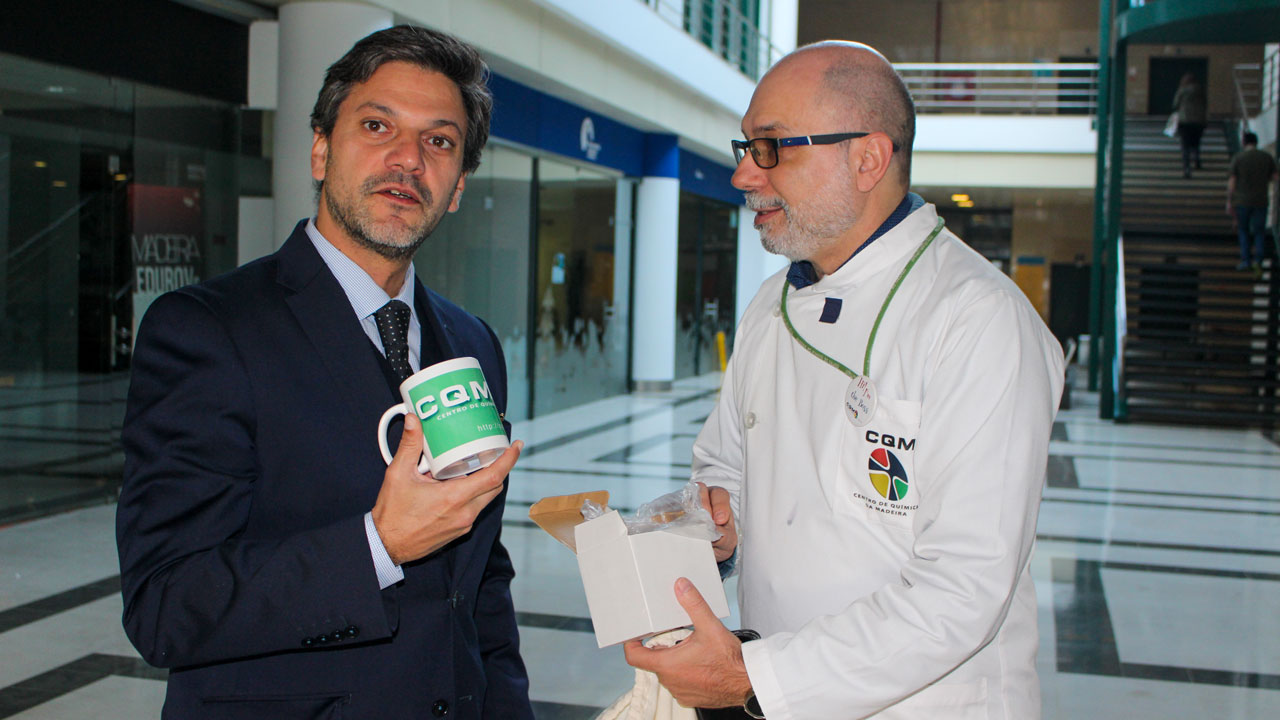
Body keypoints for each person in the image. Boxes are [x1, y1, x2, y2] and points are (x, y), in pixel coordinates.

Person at [625, 41, 1064, 720]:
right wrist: (712, 524)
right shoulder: (771, 306)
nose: (744, 175)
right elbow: (723, 470)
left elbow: (965, 588)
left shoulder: (977, 319)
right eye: (745, 146)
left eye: (770, 147)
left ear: (867, 158)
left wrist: (754, 677)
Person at [116, 25, 534, 719]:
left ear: (458, 186)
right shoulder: (207, 331)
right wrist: (378, 545)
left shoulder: (471, 343)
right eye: (377, 126)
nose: (408, 159)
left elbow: (482, 582)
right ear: (319, 148)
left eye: (439, 141)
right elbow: (165, 605)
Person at [1226, 131, 1277, 274]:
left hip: (1242, 201)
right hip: (1261, 200)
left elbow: (1232, 182)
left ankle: (1246, 260)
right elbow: (1275, 176)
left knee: (1243, 231)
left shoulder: (1239, 158)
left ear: (1244, 143)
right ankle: (1259, 261)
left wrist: (1229, 201)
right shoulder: (1266, 157)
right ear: (1256, 142)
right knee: (1259, 231)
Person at [1171, 72, 1207, 178]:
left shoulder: (1182, 90)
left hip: (1185, 121)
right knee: (1196, 143)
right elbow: (1205, 103)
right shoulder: (1201, 91)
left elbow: (1175, 104)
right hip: (1199, 121)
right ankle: (1197, 160)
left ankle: (1187, 168)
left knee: (1185, 146)